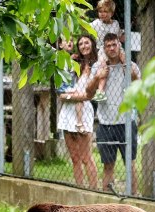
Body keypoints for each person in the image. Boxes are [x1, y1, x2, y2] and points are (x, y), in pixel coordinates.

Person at [86, 32, 141, 193]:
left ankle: (134, 199)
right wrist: (97, 77)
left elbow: (140, 89)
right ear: (104, 48)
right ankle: (107, 200)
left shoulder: (131, 65)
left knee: (130, 163)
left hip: (127, 122)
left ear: (120, 46)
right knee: (108, 165)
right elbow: (88, 92)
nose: (111, 48)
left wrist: (130, 72)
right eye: (108, 45)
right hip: (105, 124)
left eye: (114, 44)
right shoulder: (98, 66)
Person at [57, 34, 99, 189]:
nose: (83, 46)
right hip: (68, 112)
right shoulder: (75, 63)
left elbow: (90, 94)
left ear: (92, 44)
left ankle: (94, 191)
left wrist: (72, 96)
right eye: (80, 43)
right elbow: (61, 93)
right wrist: (74, 96)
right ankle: (79, 190)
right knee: (75, 158)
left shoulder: (98, 64)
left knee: (86, 157)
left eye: (86, 42)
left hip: (84, 110)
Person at [90, 0, 124, 103]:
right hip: (103, 49)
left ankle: (127, 85)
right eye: (100, 11)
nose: (102, 14)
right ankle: (100, 91)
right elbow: (86, 27)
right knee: (103, 68)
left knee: (125, 61)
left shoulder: (115, 24)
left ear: (112, 13)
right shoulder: (96, 23)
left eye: (105, 11)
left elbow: (119, 36)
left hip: (117, 48)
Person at [56, 39, 86, 133]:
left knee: (79, 99)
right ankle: (79, 123)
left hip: (69, 89)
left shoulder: (72, 59)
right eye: (66, 40)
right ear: (60, 45)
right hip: (63, 89)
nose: (70, 42)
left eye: (72, 40)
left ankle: (79, 123)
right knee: (79, 98)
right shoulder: (59, 57)